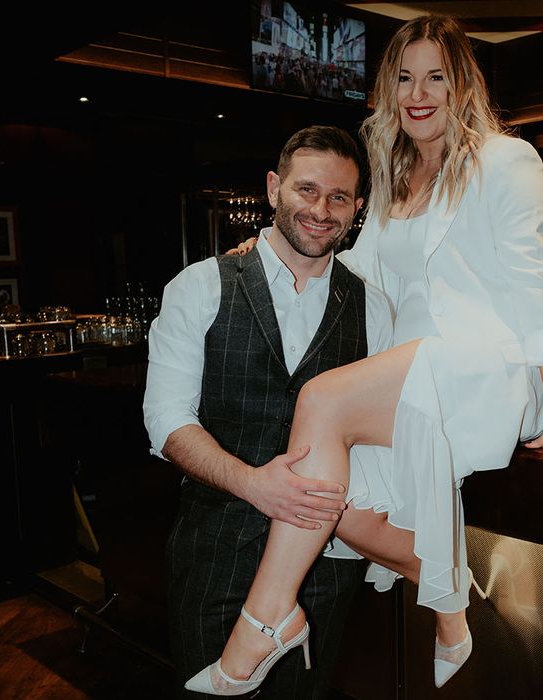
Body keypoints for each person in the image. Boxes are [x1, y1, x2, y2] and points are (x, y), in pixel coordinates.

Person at [188, 14, 543, 696]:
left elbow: (533, 275)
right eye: (403, 77)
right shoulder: (393, 171)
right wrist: (269, 248)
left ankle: (266, 618)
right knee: (334, 503)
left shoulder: (505, 160)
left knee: (320, 399)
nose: (418, 93)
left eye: (436, 78)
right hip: (410, 370)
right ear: (388, 88)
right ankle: (449, 597)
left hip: (483, 363)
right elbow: (362, 268)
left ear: (463, 86)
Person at [143, 125, 395, 699]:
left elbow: (381, 437)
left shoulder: (372, 307)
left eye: (339, 198)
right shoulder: (199, 286)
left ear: (358, 207)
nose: (320, 211)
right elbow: (167, 422)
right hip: (215, 553)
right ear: (274, 187)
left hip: (324, 568)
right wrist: (254, 484)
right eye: (306, 190)